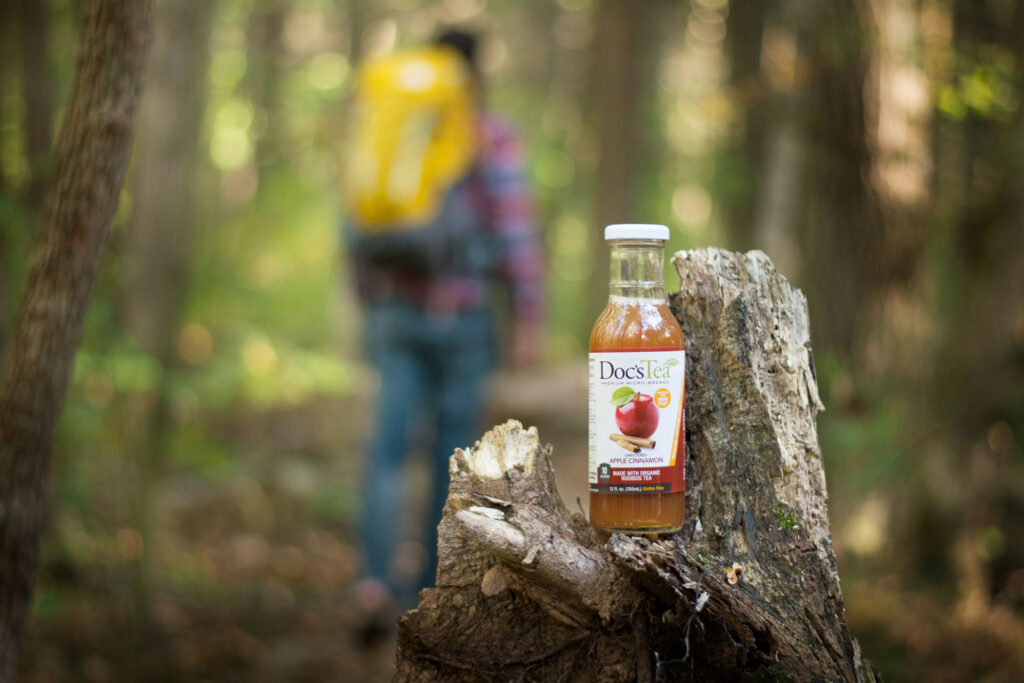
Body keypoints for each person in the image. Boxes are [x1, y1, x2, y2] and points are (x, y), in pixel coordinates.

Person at [345, 29, 544, 631]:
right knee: (450, 450)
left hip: (395, 312)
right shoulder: (489, 134)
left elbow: (357, 209)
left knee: (386, 449)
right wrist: (527, 317)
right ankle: (431, 586)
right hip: (464, 315)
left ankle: (373, 583)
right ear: (477, 74)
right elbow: (513, 232)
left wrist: (369, 297)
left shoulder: (393, 122)